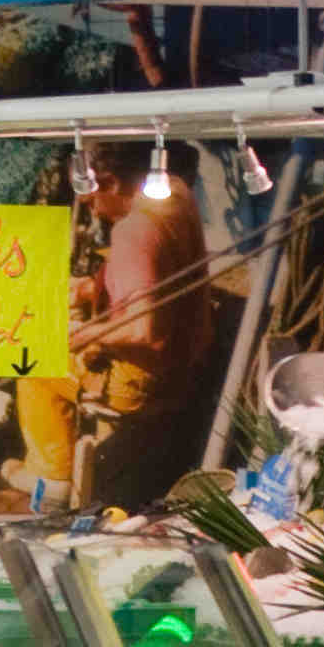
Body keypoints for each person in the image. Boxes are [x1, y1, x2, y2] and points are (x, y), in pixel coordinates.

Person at [68, 139, 219, 511]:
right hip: (184, 369)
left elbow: (144, 333)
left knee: (34, 371)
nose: (92, 208)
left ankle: (54, 485)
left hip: (140, 382)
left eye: (90, 196)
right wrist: (94, 286)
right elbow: (163, 267)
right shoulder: (175, 195)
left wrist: (81, 335)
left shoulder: (133, 229)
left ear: (112, 182)